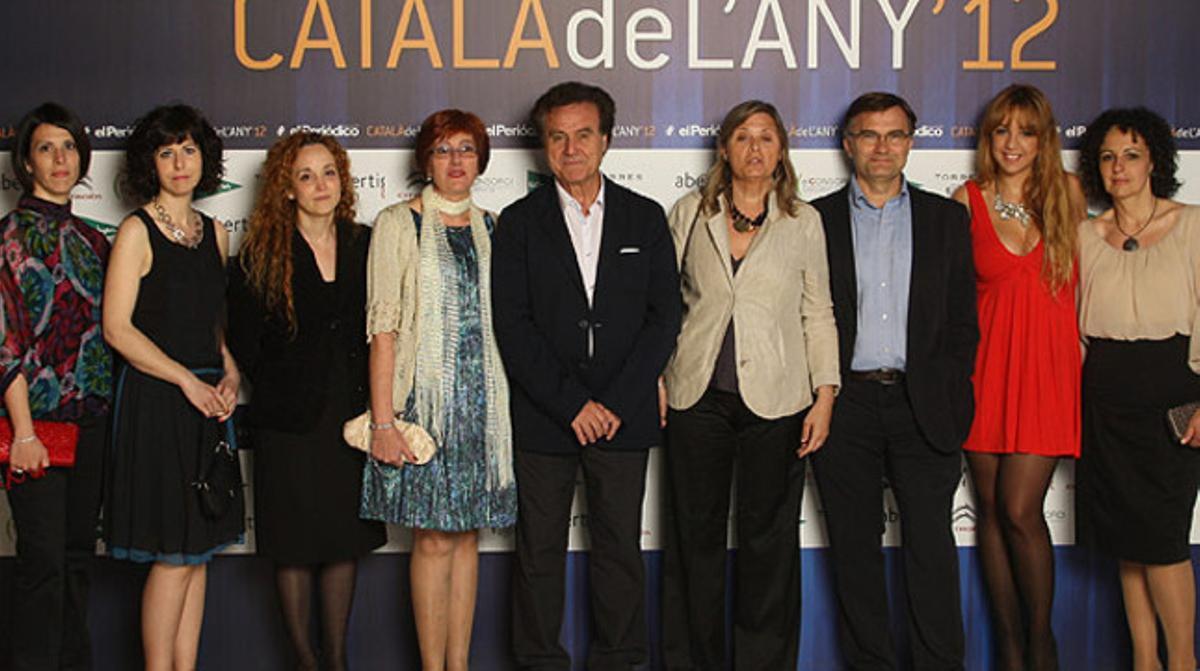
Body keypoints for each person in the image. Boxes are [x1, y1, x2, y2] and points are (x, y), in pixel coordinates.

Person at [491, 81, 681, 670]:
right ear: (544, 144)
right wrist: (573, 404)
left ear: (605, 140)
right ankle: (539, 660)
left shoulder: (645, 218)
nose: (571, 148)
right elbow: (513, 325)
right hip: (548, 417)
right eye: (557, 136)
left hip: (623, 417)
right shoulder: (519, 224)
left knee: (619, 549)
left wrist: (617, 403)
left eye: (583, 135)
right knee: (538, 551)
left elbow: (663, 318)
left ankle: (619, 659)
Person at [659, 99, 839, 670]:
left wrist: (826, 394)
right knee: (695, 543)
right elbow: (661, 307)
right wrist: (655, 377)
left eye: (766, 137)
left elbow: (818, 311)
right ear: (723, 150)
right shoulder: (689, 212)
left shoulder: (803, 221)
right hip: (696, 398)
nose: (755, 148)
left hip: (778, 402)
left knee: (770, 545)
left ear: (781, 149)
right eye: (743, 137)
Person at [811, 92, 978, 670]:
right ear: (848, 144)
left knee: (931, 549)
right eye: (869, 135)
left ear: (911, 141)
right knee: (855, 552)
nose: (882, 146)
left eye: (895, 134)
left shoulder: (946, 219)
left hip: (923, 402)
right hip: (845, 405)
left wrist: (951, 384)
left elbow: (963, 321)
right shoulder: (816, 219)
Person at [359, 109, 516, 671]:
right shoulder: (399, 223)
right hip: (421, 406)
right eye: (444, 150)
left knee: (467, 538)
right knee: (430, 540)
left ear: (481, 160)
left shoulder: (495, 226)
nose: (455, 161)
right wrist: (383, 422)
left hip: (483, 406)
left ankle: (460, 663)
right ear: (426, 159)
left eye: (466, 149)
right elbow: (383, 327)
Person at [227, 132, 385, 671]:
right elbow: (245, 344)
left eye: (329, 173)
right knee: (293, 547)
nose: (320, 185)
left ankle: (336, 659)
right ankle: (304, 661)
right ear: (286, 188)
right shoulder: (260, 254)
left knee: (343, 542)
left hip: (351, 419)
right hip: (289, 421)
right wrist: (288, 386)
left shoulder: (366, 242)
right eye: (306, 175)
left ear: (343, 181)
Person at [102, 104, 244, 671]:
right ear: (150, 164)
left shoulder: (216, 232)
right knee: (171, 555)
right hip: (159, 399)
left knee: (198, 554)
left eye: (188, 150)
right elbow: (117, 328)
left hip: (209, 402)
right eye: (167, 152)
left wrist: (230, 371)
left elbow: (215, 324)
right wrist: (186, 379)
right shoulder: (135, 231)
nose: (180, 163)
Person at [949, 84, 1085, 671]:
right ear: (989, 138)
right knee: (992, 511)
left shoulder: (1070, 195)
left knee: (1020, 509)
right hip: (986, 373)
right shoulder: (966, 200)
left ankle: (1041, 644)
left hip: (1049, 373)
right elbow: (949, 300)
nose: (1012, 143)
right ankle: (1008, 649)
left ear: (1043, 140)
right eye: (1002, 130)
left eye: (1026, 132)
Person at [1076, 107, 1200, 671]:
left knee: (1164, 542)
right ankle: (1143, 663)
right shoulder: (1085, 235)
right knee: (1128, 543)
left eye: (1130, 154)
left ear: (1154, 160)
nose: (1118, 166)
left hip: (1173, 400)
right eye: (1107, 156)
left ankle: (1182, 662)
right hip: (1104, 399)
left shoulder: (1192, 225)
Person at [0, 103, 112, 671]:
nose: (60, 158)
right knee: (42, 563)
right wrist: (22, 432)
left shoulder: (96, 242)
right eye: (46, 147)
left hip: (91, 421)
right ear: (26, 161)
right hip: (34, 425)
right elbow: (4, 342)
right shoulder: (9, 238)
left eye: (68, 147)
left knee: (75, 560)